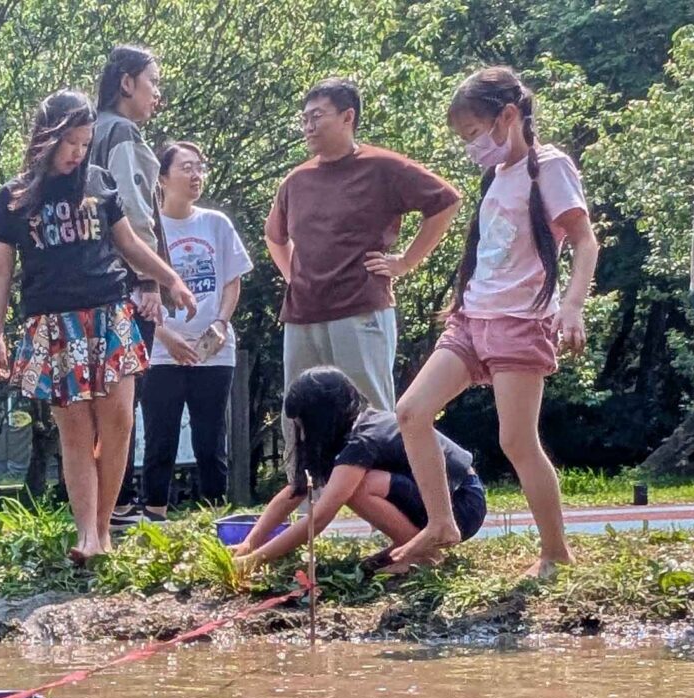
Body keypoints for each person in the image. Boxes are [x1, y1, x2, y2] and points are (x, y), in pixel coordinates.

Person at [386, 68, 600, 576]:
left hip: (520, 322)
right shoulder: (496, 175)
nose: (471, 147)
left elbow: (585, 240)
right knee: (411, 412)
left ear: (508, 116)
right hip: (471, 318)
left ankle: (556, 553)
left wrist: (572, 306)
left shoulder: (549, 167)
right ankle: (442, 524)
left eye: (473, 133)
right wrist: (462, 301)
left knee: (517, 441)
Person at [0, 90, 197, 564]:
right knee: (76, 432)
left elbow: (130, 245)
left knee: (118, 423)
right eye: (71, 143)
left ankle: (103, 531)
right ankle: (86, 535)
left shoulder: (100, 182)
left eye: (85, 143)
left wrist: (171, 279)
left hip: (109, 315)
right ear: (47, 138)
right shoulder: (13, 198)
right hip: (52, 323)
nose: (78, 153)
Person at [265, 78, 462, 409]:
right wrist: (293, 277)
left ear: (348, 117)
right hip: (302, 315)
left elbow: (446, 201)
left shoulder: (383, 166)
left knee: (369, 410)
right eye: (304, 118)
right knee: (299, 411)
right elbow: (274, 236)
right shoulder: (296, 180)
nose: (308, 126)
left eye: (317, 116)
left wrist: (406, 261)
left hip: (360, 308)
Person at [237, 366, 486, 570]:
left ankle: (423, 555)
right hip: (457, 497)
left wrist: (255, 560)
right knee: (358, 486)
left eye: (303, 422)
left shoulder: (363, 439)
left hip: (462, 504)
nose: (301, 431)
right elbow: (294, 492)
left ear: (320, 420)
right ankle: (410, 546)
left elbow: (320, 517)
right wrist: (249, 544)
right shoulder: (355, 428)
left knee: (358, 488)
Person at [136, 140, 250, 521]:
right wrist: (164, 335)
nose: (196, 175)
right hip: (161, 350)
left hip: (213, 351)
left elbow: (232, 281)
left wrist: (220, 323)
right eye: (186, 167)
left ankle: (215, 518)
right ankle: (154, 517)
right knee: (160, 438)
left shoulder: (216, 224)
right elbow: (135, 290)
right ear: (162, 177)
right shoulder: (146, 230)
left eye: (199, 167)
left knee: (210, 438)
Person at [89, 43, 169, 531]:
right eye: (152, 82)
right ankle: (115, 508)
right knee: (122, 399)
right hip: (125, 283)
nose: (157, 94)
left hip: (88, 283)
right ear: (126, 82)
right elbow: (134, 214)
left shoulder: (88, 131)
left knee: (94, 400)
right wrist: (150, 280)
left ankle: (94, 507)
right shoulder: (121, 132)